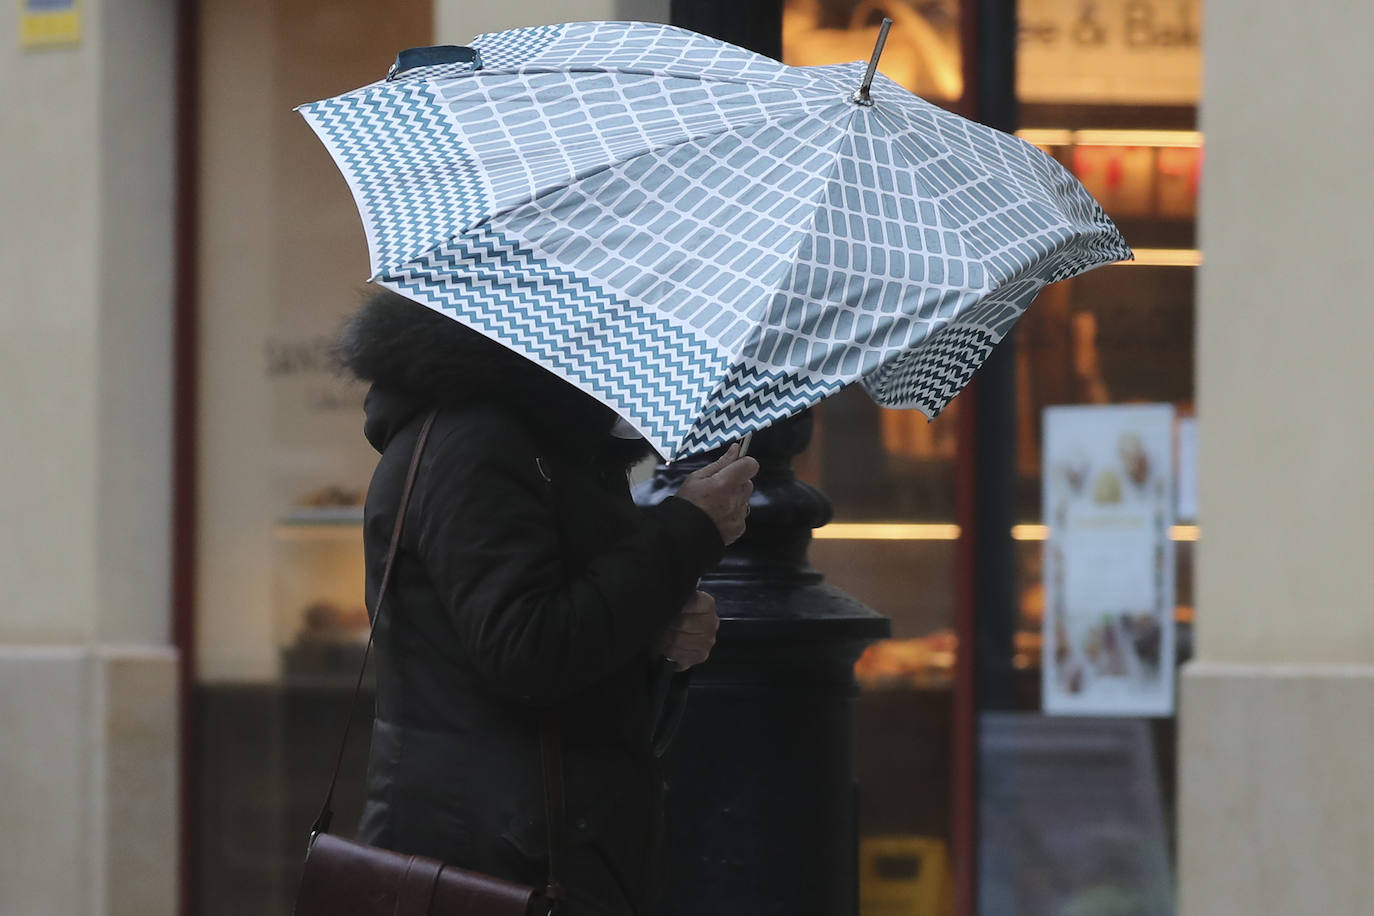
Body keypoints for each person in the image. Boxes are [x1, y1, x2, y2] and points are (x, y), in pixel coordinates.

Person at [336, 290, 759, 915]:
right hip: (497, 859)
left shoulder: (552, 443)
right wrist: (685, 531)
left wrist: (657, 637)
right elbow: (528, 648)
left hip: (543, 843)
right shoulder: (477, 441)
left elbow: (566, 625)